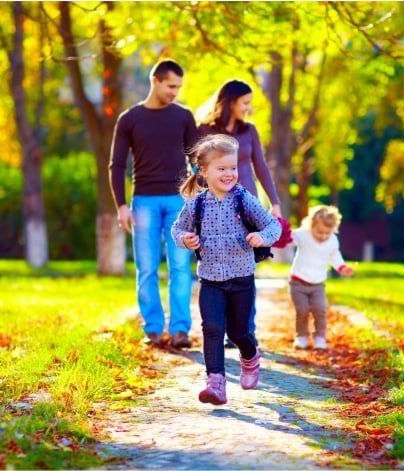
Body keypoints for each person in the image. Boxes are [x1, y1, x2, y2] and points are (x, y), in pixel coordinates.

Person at [171, 134, 281, 405]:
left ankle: (250, 356)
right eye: (222, 169)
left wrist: (262, 237)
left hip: (241, 278)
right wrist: (185, 239)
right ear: (204, 172)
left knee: (238, 332)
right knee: (212, 328)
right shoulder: (195, 204)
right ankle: (216, 383)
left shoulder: (244, 200)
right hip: (210, 280)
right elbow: (177, 229)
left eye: (233, 167)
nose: (230, 173)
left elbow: (273, 225)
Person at [108, 59, 197, 349]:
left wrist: (199, 198)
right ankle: (154, 329)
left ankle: (181, 330)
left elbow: (196, 160)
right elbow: (117, 165)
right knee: (146, 267)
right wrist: (121, 205)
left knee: (181, 266)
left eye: (179, 87)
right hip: (143, 202)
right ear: (156, 81)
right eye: (171, 86)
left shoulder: (183, 117)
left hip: (178, 203)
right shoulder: (130, 119)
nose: (175, 92)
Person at [197, 79, 281, 347]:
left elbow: (261, 167)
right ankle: (221, 328)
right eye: (245, 103)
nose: (248, 108)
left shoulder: (250, 131)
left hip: (247, 208)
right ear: (230, 101)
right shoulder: (206, 130)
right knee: (218, 270)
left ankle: (245, 330)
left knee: (245, 270)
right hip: (216, 208)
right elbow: (198, 169)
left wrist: (274, 202)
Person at [289, 205, 354, 351]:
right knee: (302, 310)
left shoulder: (332, 241)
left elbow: (335, 256)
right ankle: (302, 337)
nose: (323, 236)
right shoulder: (302, 235)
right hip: (298, 282)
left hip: (318, 284)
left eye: (327, 233)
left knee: (320, 309)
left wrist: (342, 268)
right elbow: (288, 238)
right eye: (319, 232)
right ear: (311, 225)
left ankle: (320, 337)